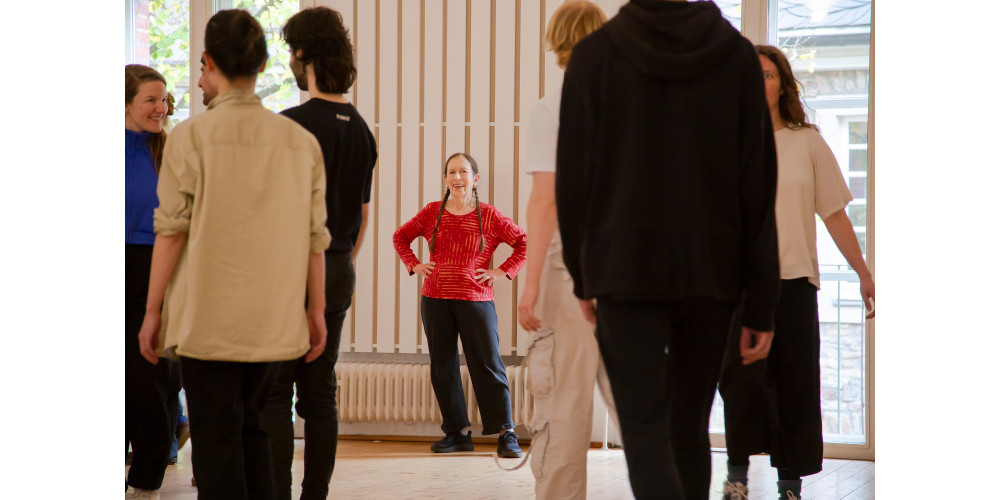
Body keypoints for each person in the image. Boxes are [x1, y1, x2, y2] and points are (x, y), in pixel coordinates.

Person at [554, 0, 781, 499]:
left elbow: (573, 183)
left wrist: (583, 273)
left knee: (642, 425)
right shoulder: (737, 57)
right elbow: (757, 183)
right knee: (688, 425)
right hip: (712, 269)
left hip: (621, 266)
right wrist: (761, 298)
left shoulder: (594, 58)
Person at [136, 9, 331, 499]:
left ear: (208, 62)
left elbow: (171, 232)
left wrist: (153, 309)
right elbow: (314, 239)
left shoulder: (190, 137)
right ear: (263, 66)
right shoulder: (299, 141)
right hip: (273, 317)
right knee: (256, 432)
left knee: (217, 441)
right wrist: (316, 310)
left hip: (209, 319)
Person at [717, 45, 876, 500]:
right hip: (737, 287)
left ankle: (790, 484)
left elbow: (835, 214)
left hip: (794, 283)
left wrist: (863, 271)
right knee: (740, 383)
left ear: (782, 84)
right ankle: (737, 476)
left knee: (795, 385)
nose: (758, 83)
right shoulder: (725, 141)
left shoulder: (807, 140)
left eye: (767, 75)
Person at [259, 7, 377, 500]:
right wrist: (341, 264)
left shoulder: (289, 126)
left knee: (275, 393)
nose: (289, 59)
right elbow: (364, 216)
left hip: (291, 273)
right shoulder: (362, 129)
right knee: (320, 391)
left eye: (290, 51)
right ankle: (315, 495)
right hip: (338, 270)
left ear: (303, 55)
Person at [515, 2, 618, 499]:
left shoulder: (553, 106)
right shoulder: (632, 102)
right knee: (642, 414)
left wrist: (529, 284)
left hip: (566, 267)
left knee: (563, 408)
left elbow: (545, 200)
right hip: (628, 269)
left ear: (554, 42)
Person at [392, 153, 527, 459]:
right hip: (435, 300)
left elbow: (523, 243)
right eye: (451, 172)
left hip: (476, 300)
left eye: (463, 172)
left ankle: (506, 433)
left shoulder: (490, 215)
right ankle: (457, 433)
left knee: (488, 364)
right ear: (445, 179)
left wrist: (501, 271)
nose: (457, 177)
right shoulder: (431, 213)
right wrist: (414, 265)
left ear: (474, 179)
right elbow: (400, 237)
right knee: (443, 367)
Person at [125, 64, 182, 499]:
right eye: (150, 99)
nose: (161, 108)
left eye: (163, 99)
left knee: (153, 376)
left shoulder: (170, 151)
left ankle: (146, 481)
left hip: (158, 266)